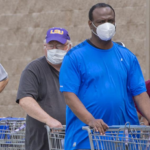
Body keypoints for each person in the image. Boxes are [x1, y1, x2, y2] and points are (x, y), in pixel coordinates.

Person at [59, 3, 150, 150]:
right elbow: (69, 96)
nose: (107, 25)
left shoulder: (127, 57)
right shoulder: (74, 57)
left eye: (110, 21)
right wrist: (91, 120)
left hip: (123, 140)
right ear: (90, 24)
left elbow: (140, 94)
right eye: (101, 22)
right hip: (86, 139)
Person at [16, 27, 72, 150]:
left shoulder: (75, 70)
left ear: (69, 47)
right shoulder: (34, 69)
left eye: (59, 46)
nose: (54, 49)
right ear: (45, 48)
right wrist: (49, 120)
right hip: (42, 143)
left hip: (71, 141)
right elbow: (25, 100)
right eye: (51, 46)